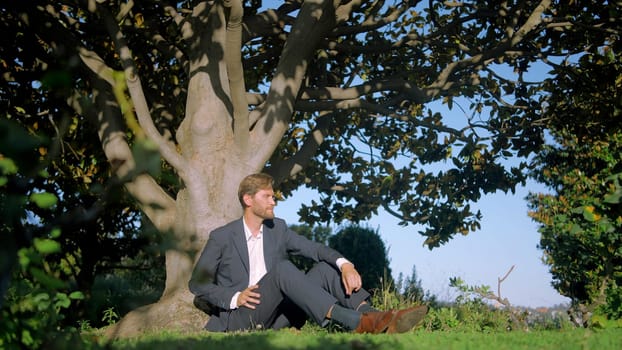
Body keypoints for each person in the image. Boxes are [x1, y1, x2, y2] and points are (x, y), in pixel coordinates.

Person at [189, 173, 428, 333]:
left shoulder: (278, 228)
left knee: (326, 268)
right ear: (248, 199)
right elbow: (198, 284)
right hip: (244, 316)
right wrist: (235, 297)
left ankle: (378, 318)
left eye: (274, 196)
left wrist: (345, 264)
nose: (274, 201)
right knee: (282, 269)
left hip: (280, 314)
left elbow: (314, 249)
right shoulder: (222, 236)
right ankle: (355, 321)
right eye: (268, 197)